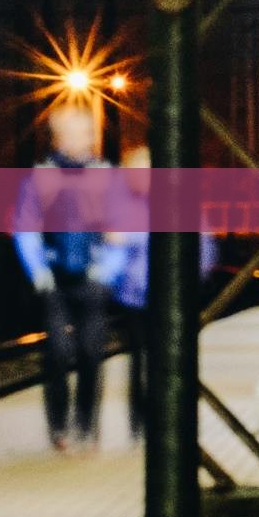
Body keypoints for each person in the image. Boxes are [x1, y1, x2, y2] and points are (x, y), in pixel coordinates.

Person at [11, 103, 116, 453]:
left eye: (82, 132)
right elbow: (25, 227)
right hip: (54, 279)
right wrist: (38, 270)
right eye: (69, 132)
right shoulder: (42, 176)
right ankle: (59, 429)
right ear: (58, 136)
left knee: (90, 352)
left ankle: (86, 426)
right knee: (56, 353)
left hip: (92, 277)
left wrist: (107, 268)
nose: (77, 139)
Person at [103, 143, 154, 446]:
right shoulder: (122, 207)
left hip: (166, 297)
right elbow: (112, 251)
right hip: (135, 297)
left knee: (158, 361)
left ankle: (153, 421)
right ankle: (140, 425)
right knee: (140, 362)